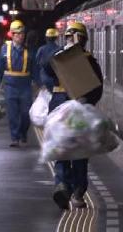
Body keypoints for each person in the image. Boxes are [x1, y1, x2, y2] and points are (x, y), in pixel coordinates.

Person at [41, 22, 103, 209]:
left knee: (67, 152)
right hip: (71, 109)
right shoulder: (66, 58)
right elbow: (47, 67)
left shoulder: (83, 59)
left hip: (67, 110)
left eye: (72, 37)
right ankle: (71, 190)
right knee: (71, 152)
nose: (71, 40)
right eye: (70, 37)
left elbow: (97, 88)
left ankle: (68, 187)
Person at [0, 20, 39, 147]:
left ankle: (23, 132)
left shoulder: (29, 51)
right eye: (17, 34)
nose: (20, 36)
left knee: (25, 113)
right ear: (12, 35)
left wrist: (40, 85)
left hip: (25, 86)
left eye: (22, 33)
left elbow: (34, 69)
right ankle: (15, 138)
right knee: (12, 114)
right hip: (10, 86)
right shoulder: (4, 49)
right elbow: (0, 69)